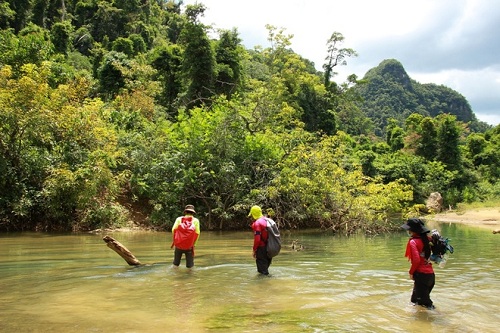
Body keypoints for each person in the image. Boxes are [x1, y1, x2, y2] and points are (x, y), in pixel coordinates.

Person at [401, 218, 435, 309]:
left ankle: (438, 318)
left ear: (412, 230)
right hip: (431, 276)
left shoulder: (413, 242)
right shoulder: (428, 239)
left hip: (421, 276)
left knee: (427, 305)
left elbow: (416, 260)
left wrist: (411, 272)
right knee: (415, 301)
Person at [248, 205, 272, 275]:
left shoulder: (257, 223)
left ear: (253, 214)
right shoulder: (267, 220)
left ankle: (265, 285)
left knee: (262, 273)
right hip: (269, 248)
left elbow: (257, 239)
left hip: (262, 249)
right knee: (265, 271)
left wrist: (254, 250)